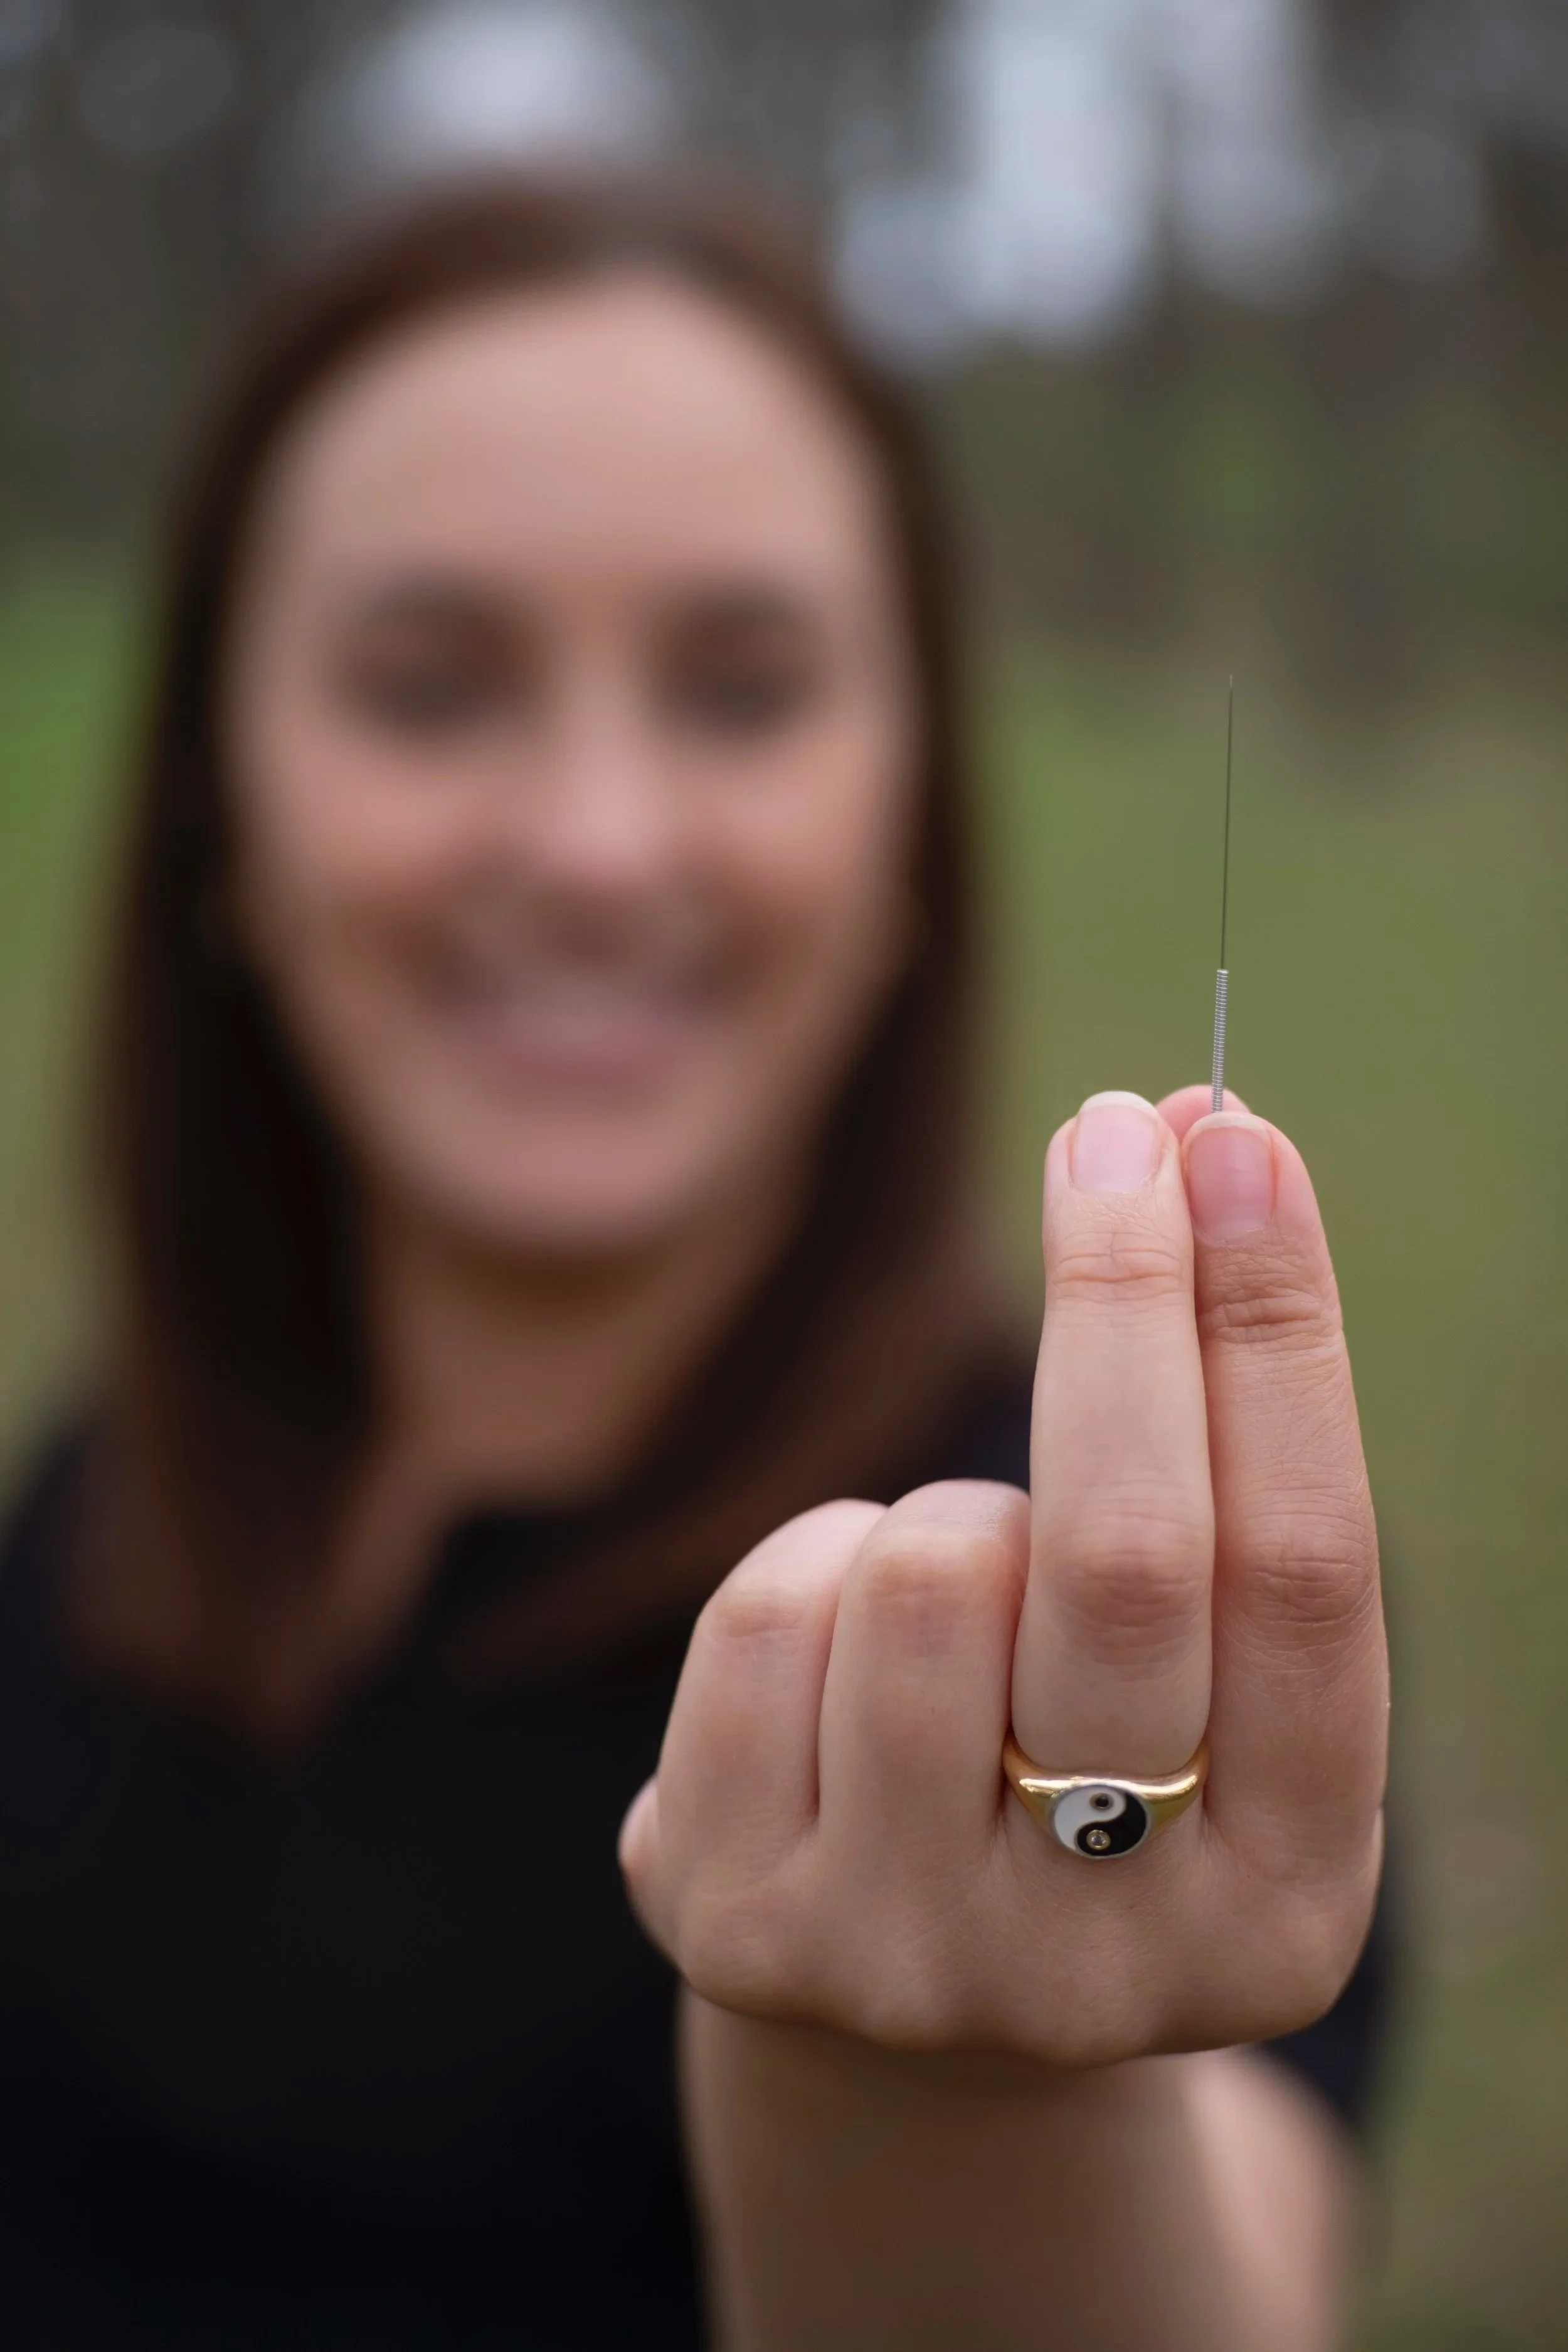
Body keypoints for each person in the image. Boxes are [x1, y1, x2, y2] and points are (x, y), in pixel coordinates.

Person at [0, 174, 1391, 2350]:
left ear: (904, 828)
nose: (593, 841)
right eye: (426, 683)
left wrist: (956, 2090)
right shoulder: (79, 1514)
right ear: (217, 808)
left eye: (741, 690)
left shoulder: (1099, 1655)